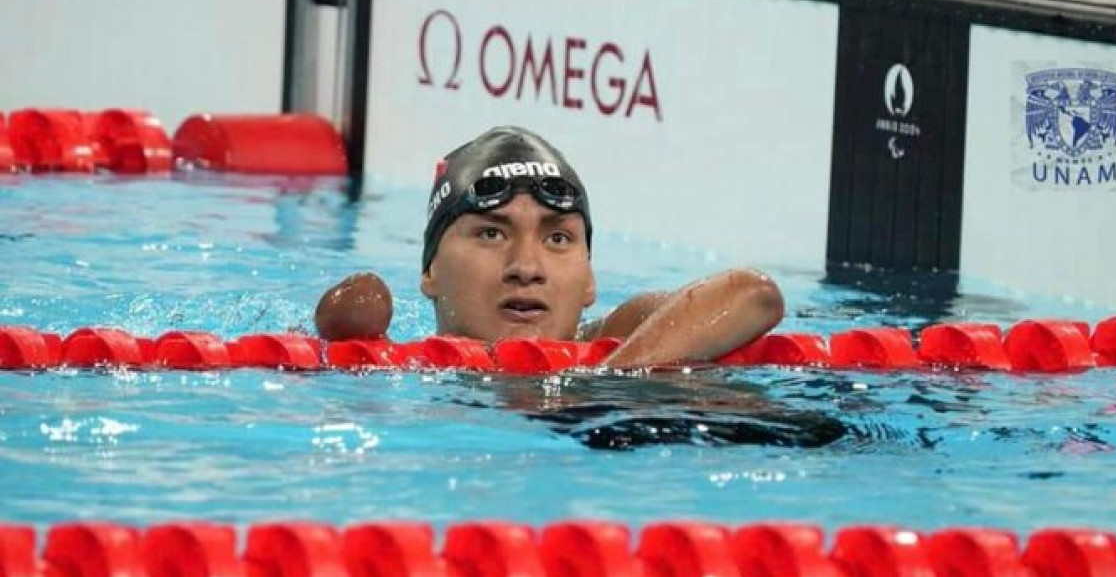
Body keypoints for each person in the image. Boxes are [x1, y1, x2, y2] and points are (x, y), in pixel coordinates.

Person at [314, 126, 784, 367]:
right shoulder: (401, 369)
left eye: (557, 238)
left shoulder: (619, 335)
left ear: (589, 280)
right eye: (491, 233)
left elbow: (753, 294)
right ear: (430, 269)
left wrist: (609, 389)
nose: (526, 267)